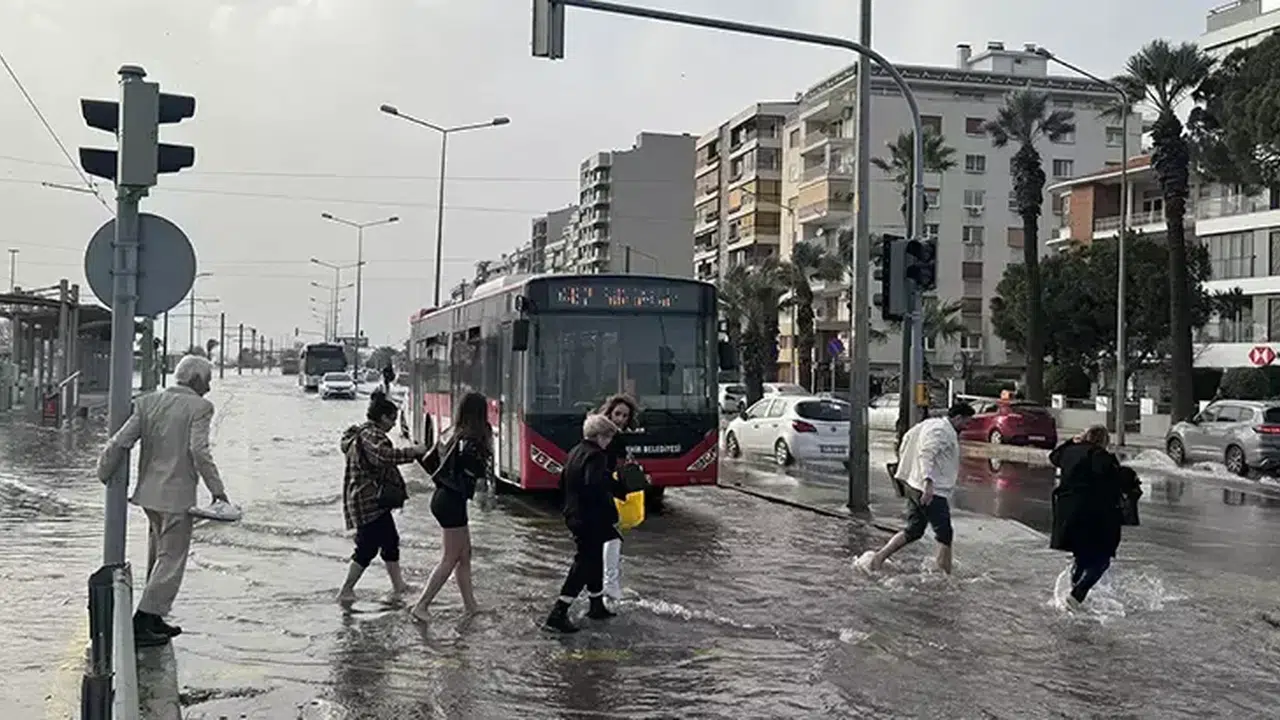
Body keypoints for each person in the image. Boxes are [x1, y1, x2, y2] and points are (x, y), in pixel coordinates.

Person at [95, 354, 230, 647]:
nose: (208, 387)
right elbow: (199, 451)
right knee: (172, 559)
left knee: (158, 554)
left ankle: (154, 617)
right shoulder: (201, 407)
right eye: (207, 380)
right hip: (177, 497)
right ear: (195, 380)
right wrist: (218, 492)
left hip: (148, 494)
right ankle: (144, 620)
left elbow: (121, 441)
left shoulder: (148, 402)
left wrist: (104, 470)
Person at [856, 402, 976, 576]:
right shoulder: (941, 431)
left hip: (915, 486)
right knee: (945, 534)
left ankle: (878, 559)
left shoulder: (930, 424)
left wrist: (908, 471)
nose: (967, 426)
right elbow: (926, 453)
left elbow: (907, 439)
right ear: (957, 418)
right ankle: (945, 576)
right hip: (931, 491)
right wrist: (927, 481)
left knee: (914, 530)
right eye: (966, 422)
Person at [337, 390, 427, 605]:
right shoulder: (371, 435)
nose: (394, 425)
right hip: (368, 501)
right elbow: (384, 456)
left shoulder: (364, 433)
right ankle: (346, 591)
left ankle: (398, 586)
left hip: (367, 500)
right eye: (392, 419)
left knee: (390, 541)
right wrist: (413, 452)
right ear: (382, 417)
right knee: (367, 547)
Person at [409, 392, 493, 622]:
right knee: (451, 557)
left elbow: (429, 460)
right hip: (452, 501)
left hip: (444, 496)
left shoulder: (450, 433)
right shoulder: (472, 439)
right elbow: (475, 469)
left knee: (465, 554)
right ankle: (422, 605)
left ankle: (470, 606)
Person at [544, 413, 621, 633]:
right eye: (608, 437)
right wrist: (616, 489)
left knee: (594, 557)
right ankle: (559, 612)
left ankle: (596, 604)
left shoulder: (575, 451)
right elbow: (594, 484)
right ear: (600, 437)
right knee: (585, 562)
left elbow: (563, 482)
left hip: (574, 514)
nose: (609, 442)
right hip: (589, 517)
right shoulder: (597, 455)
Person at [1049, 425, 1141, 609]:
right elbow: (1114, 479)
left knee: (1081, 556)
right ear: (1104, 442)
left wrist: (1071, 441)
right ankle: (1077, 595)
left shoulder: (1069, 453)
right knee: (1100, 560)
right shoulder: (1100, 457)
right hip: (1092, 517)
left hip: (1066, 514)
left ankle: (1070, 595)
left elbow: (1054, 457)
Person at [597, 394, 645, 606]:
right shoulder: (606, 436)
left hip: (606, 489)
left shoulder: (616, 436)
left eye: (625, 416)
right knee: (612, 537)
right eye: (617, 414)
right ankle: (610, 585)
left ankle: (605, 584)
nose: (620, 419)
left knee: (609, 538)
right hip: (603, 491)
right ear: (609, 413)